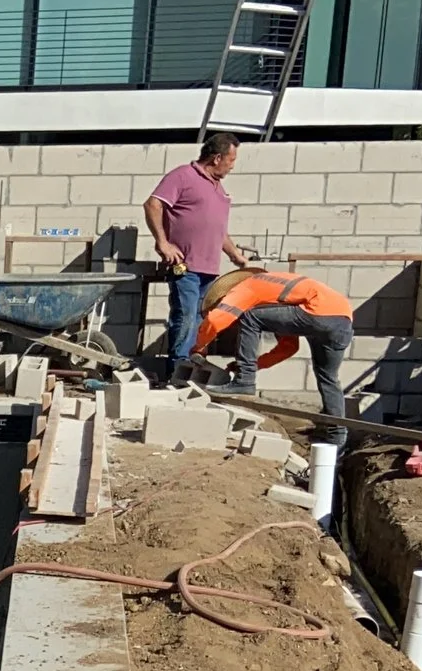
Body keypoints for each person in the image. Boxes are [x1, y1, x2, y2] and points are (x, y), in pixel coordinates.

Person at [191, 268, 357, 441]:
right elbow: (288, 347)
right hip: (342, 320)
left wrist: (199, 347)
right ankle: (337, 435)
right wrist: (254, 364)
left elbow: (215, 319)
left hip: (316, 311)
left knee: (249, 317)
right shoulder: (277, 291)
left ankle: (244, 382)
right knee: (328, 377)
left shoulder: (246, 286)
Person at [143, 134, 255, 378]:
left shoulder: (218, 188)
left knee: (198, 317)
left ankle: (189, 365)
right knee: (185, 314)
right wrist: (163, 242)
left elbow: (217, 229)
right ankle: (177, 370)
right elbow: (153, 204)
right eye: (231, 159)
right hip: (184, 266)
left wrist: (236, 256)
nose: (233, 165)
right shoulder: (183, 175)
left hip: (208, 268)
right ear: (217, 158)